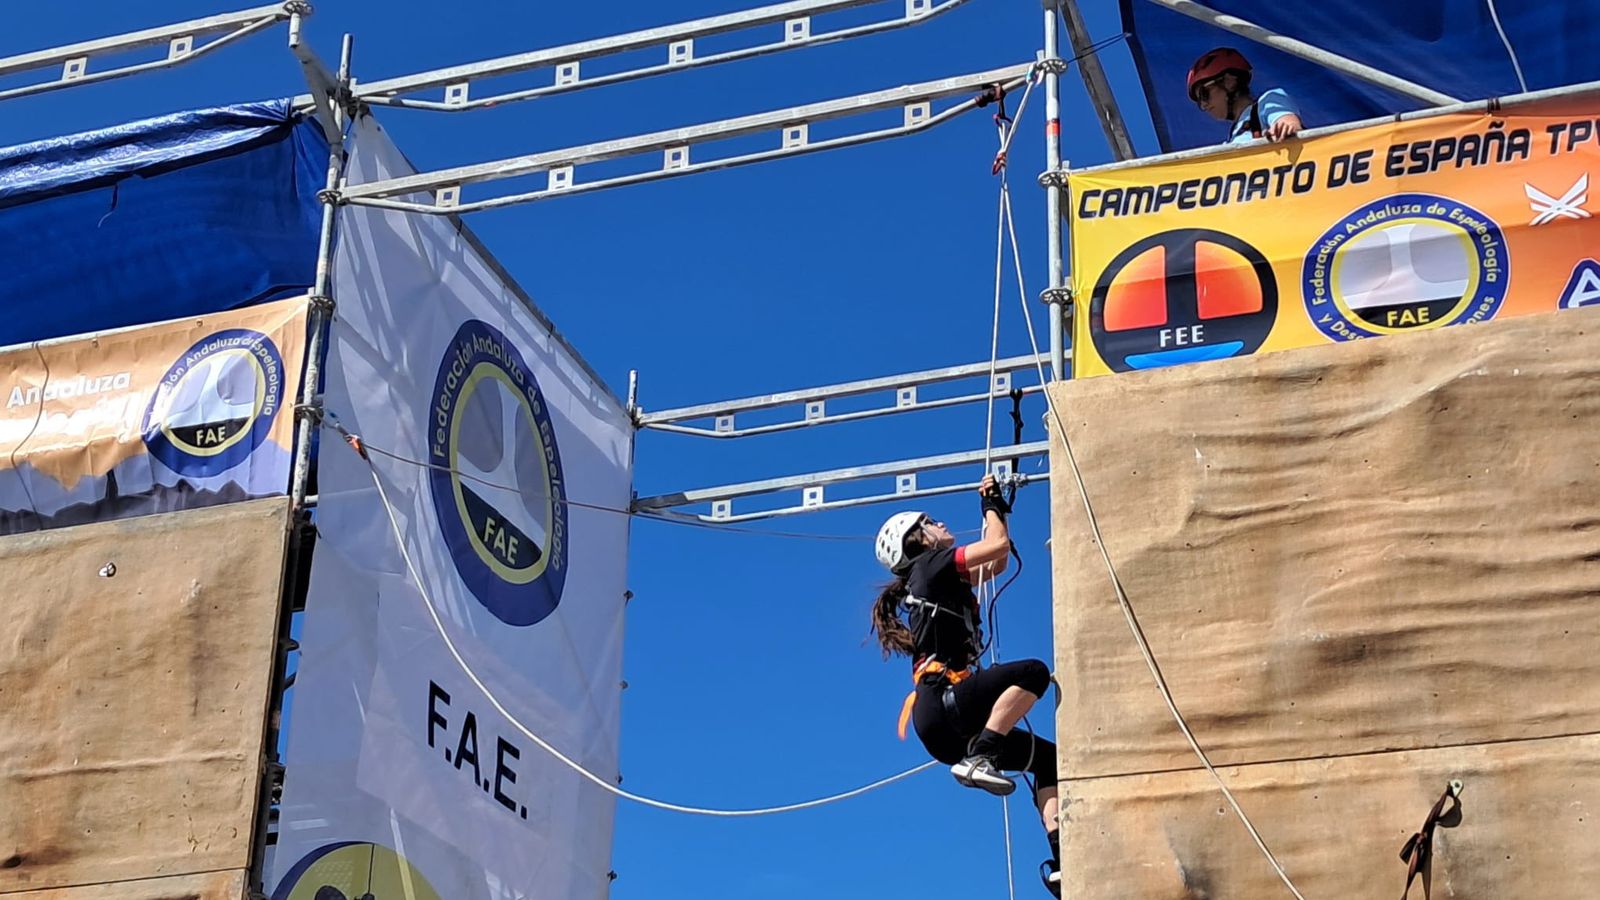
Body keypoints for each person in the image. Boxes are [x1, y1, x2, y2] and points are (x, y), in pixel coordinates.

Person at [871, 476, 1061, 895]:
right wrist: (991, 505)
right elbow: (994, 547)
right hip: (946, 702)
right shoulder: (931, 565)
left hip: (943, 725)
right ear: (919, 539)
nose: (940, 523)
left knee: (1048, 761)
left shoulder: (933, 578)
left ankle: (1062, 856)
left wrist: (997, 513)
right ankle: (985, 754)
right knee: (1032, 673)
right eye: (931, 522)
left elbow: (995, 565)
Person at [1187, 47, 1303, 144]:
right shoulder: (1231, 139)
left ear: (1229, 82)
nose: (1203, 104)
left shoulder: (1269, 101)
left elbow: (1289, 124)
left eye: (1204, 94)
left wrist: (1285, 126)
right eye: (1199, 101)